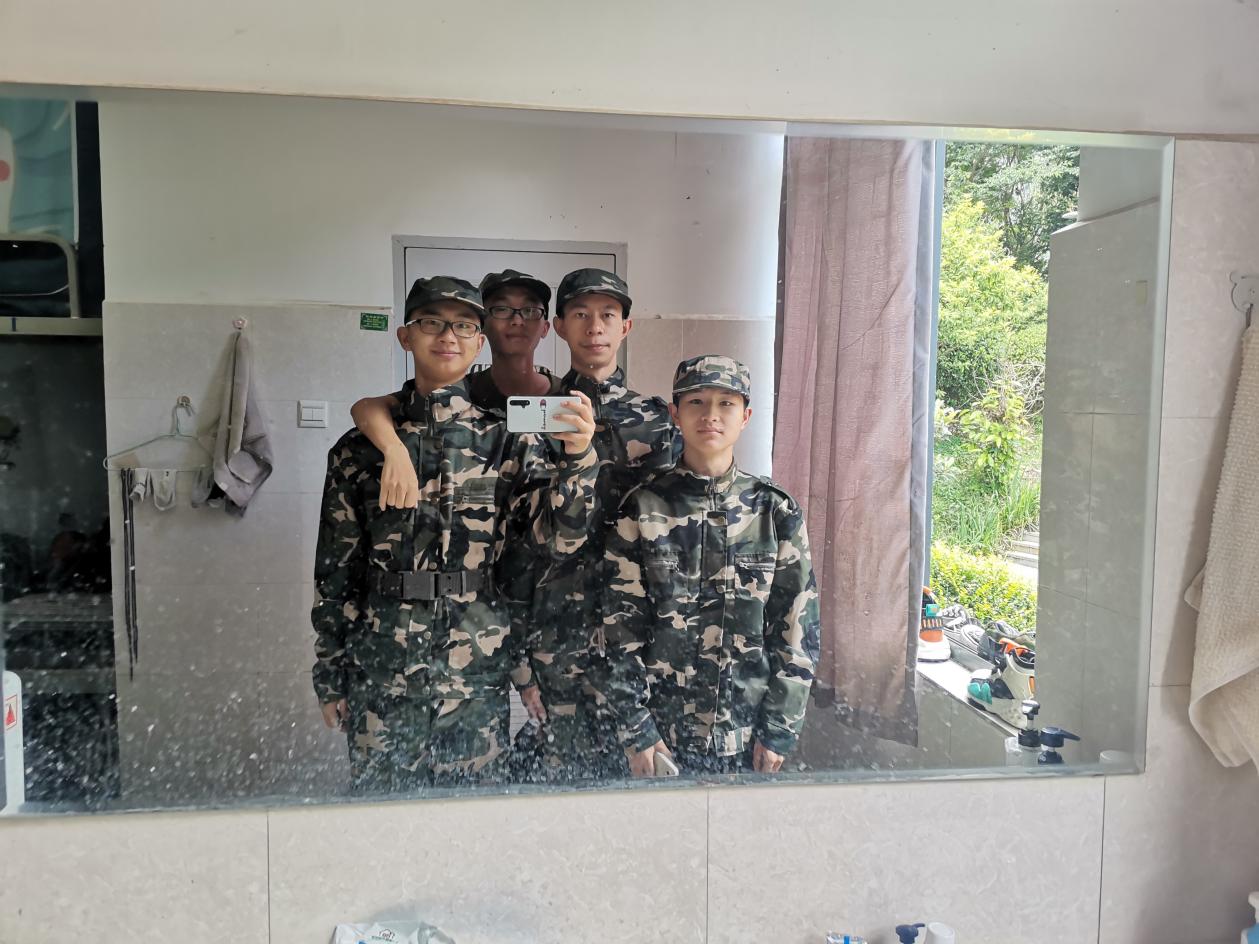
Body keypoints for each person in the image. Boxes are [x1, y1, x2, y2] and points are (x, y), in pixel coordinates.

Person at [310, 275, 596, 793]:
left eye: (464, 326)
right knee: (380, 815)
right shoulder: (359, 450)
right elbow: (335, 569)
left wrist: (577, 459)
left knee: (475, 820)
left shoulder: (505, 442)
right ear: (405, 336)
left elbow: (555, 543)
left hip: (475, 674)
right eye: (431, 323)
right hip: (383, 672)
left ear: (479, 342)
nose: (448, 336)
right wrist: (330, 670)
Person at [599, 355, 821, 777]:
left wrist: (779, 729)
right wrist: (637, 730)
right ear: (675, 414)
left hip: (746, 738)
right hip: (659, 739)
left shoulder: (773, 511)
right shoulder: (644, 508)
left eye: (726, 404)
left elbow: (797, 630)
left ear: (746, 416)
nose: (711, 416)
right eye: (697, 402)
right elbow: (618, 631)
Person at [350, 269, 564, 510]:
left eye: (530, 310)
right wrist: (393, 448)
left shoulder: (567, 398)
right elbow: (373, 407)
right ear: (485, 326)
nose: (517, 320)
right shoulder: (459, 391)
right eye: (501, 309)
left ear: (546, 327)